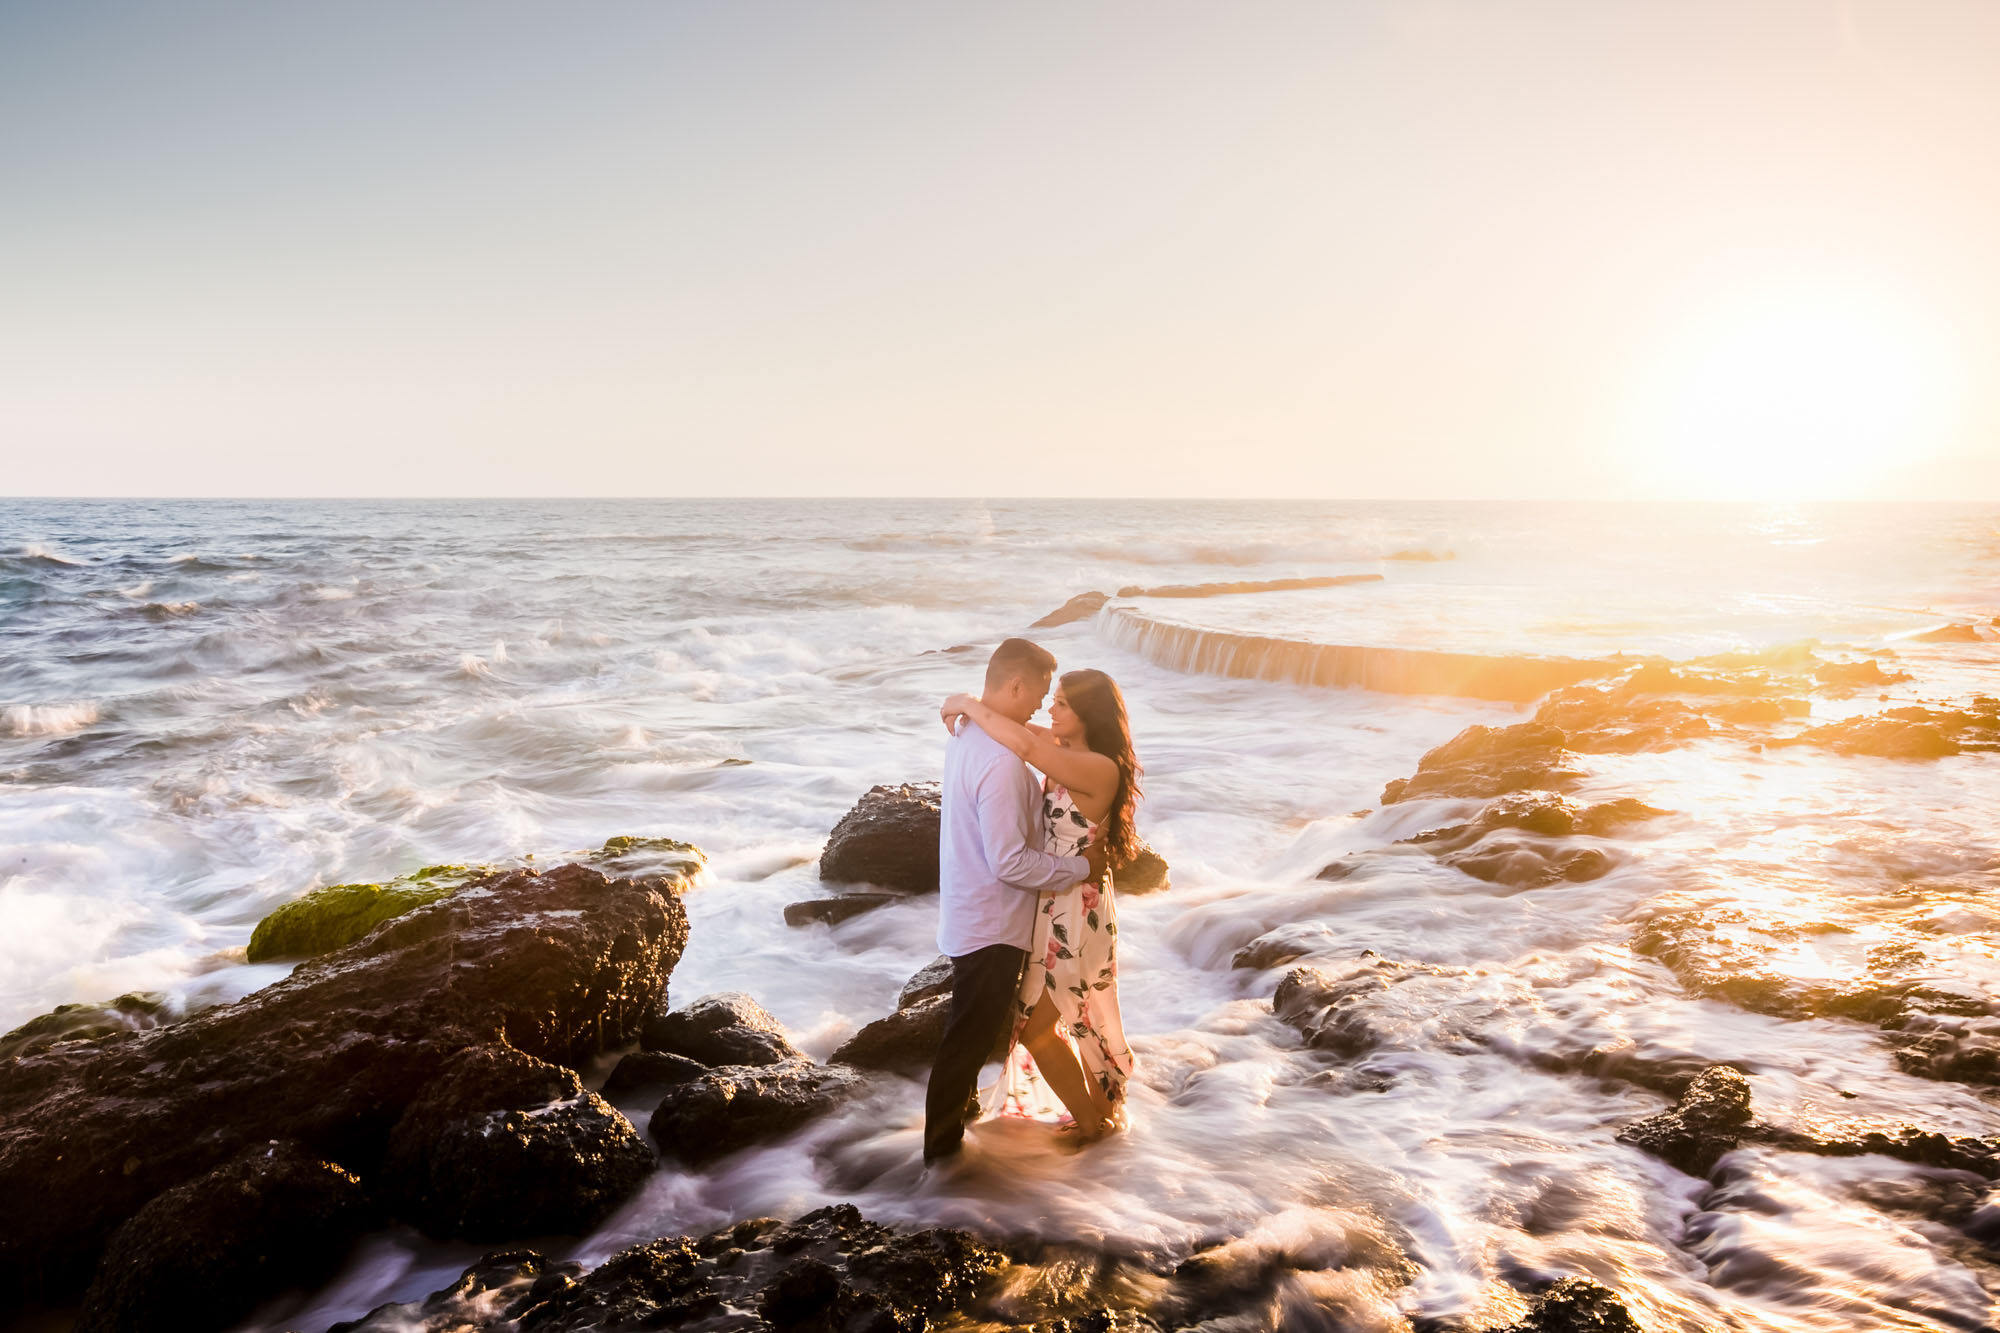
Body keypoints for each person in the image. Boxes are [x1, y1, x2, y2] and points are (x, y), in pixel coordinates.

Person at [924, 637, 1109, 1168]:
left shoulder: (966, 735)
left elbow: (1034, 740)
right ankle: (940, 1156)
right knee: (966, 1043)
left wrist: (964, 702)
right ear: (1015, 685)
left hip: (970, 910)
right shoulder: (1002, 763)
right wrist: (1079, 867)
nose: (1042, 706)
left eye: (1059, 699)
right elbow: (1010, 862)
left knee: (974, 1034)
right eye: (1043, 693)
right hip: (995, 920)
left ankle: (951, 1139)